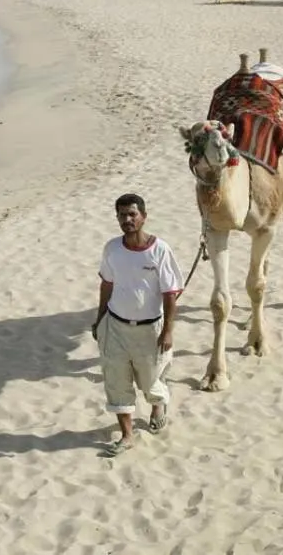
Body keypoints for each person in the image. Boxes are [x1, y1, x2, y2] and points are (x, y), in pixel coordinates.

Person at [91, 193, 183, 456]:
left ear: (143, 217)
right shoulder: (112, 249)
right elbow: (106, 284)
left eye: (132, 214)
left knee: (151, 381)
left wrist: (168, 331)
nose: (127, 220)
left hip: (150, 329)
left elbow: (170, 294)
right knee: (116, 381)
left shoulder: (160, 250)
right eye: (122, 215)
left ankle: (158, 406)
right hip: (115, 327)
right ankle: (127, 435)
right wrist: (100, 320)